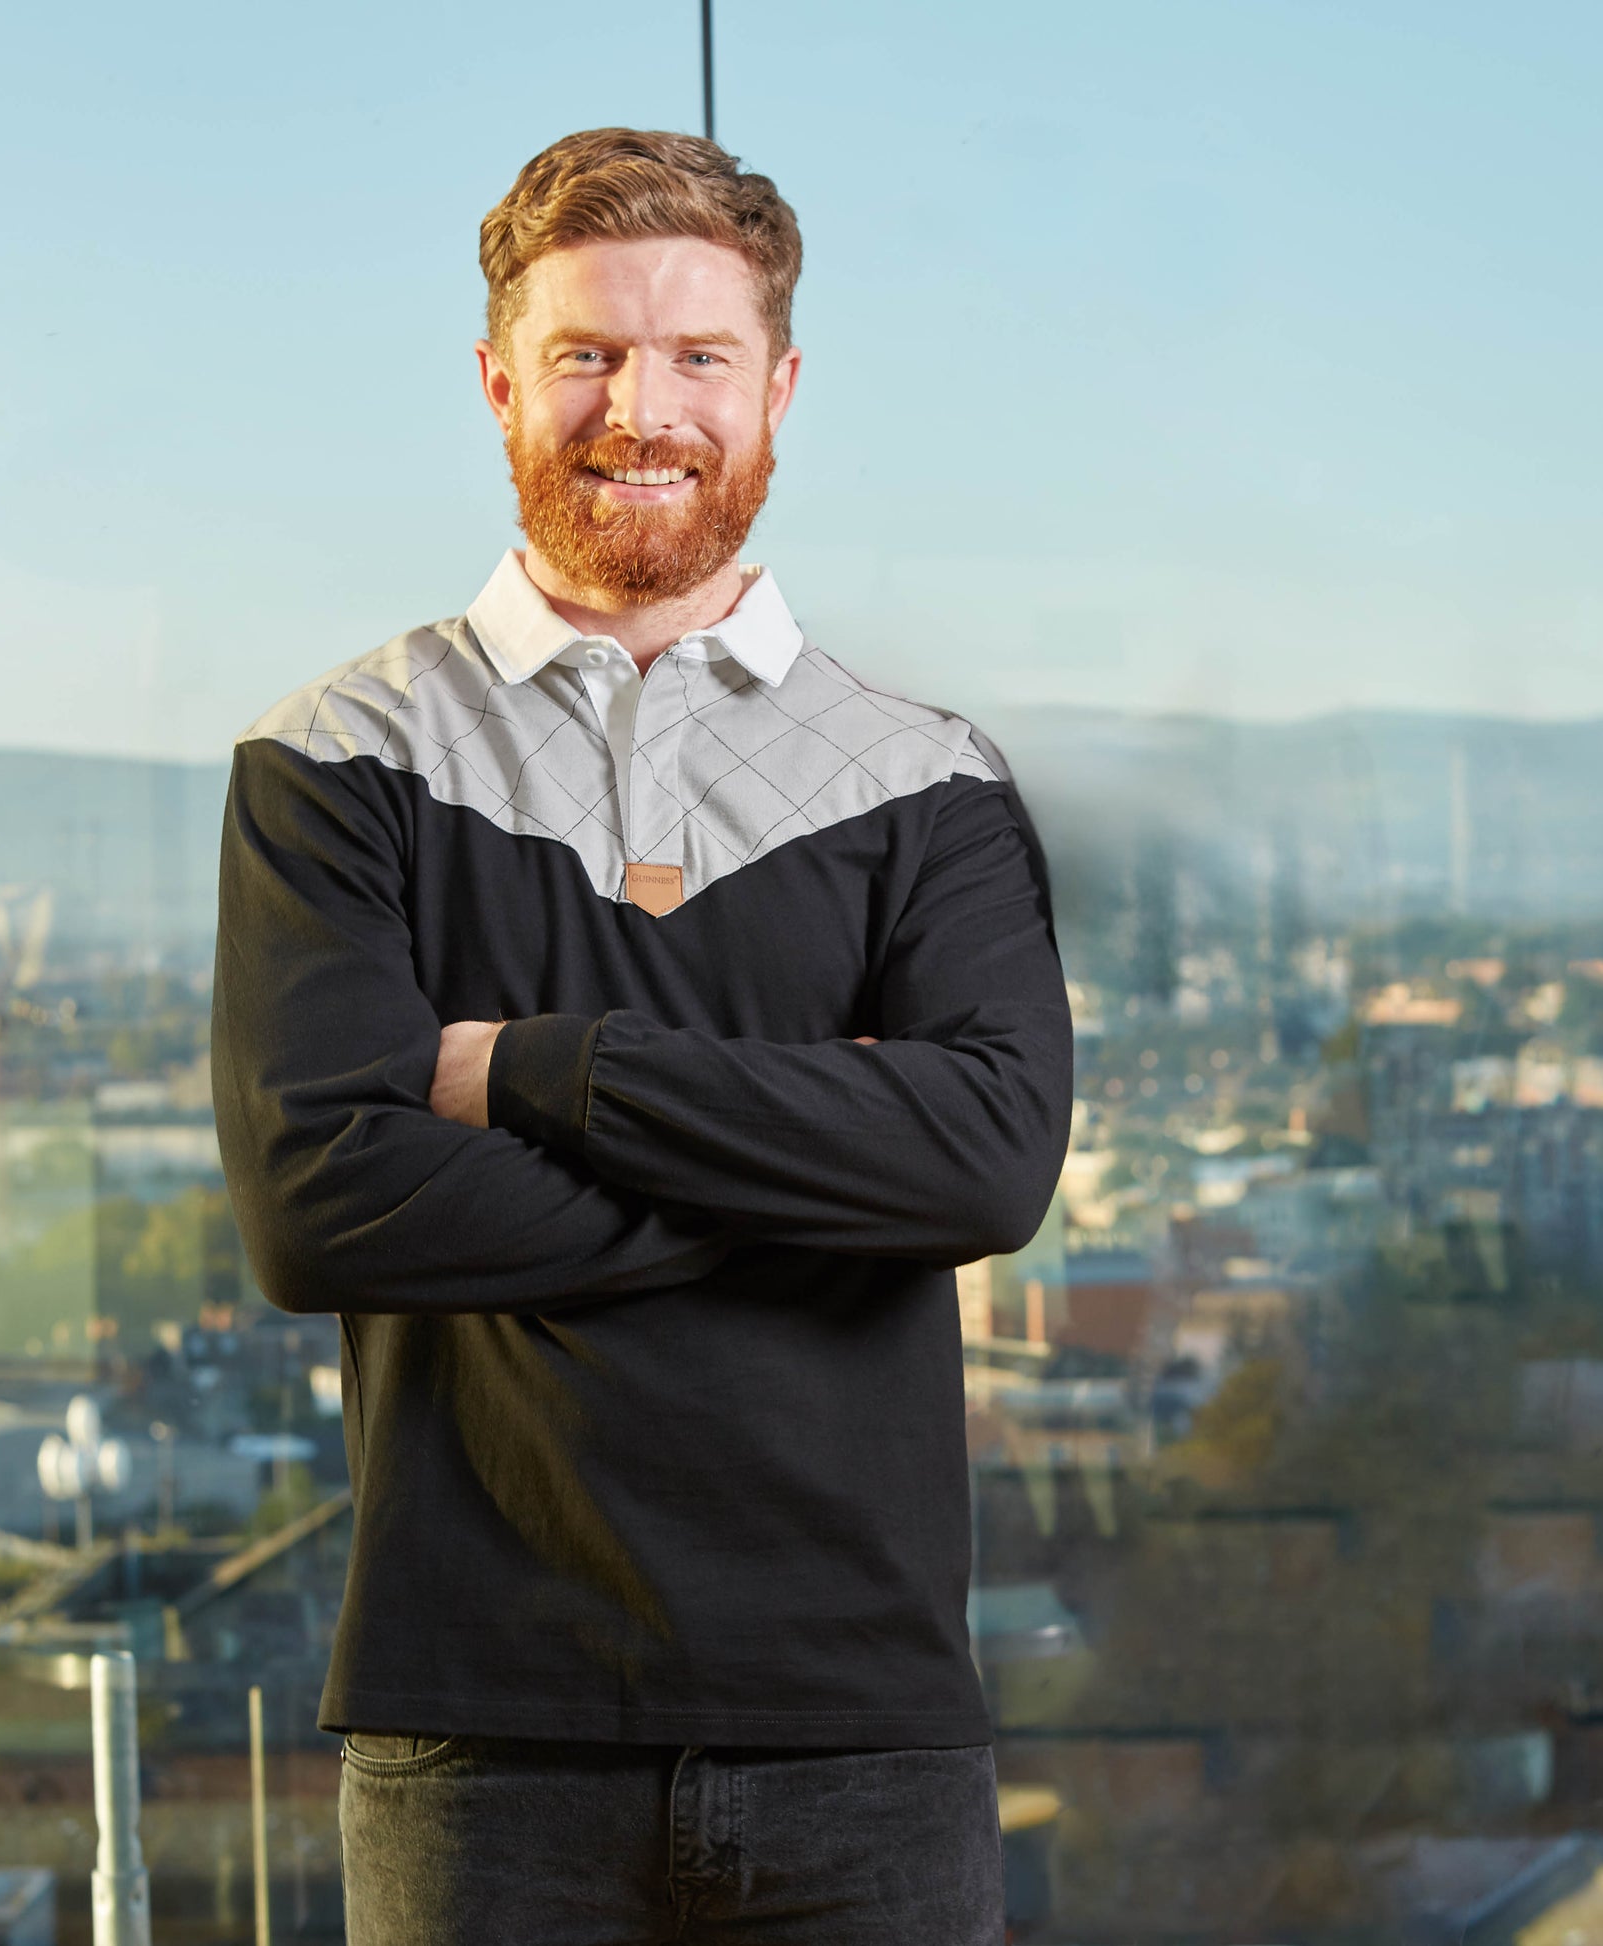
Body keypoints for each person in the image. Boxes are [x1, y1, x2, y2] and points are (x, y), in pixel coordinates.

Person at [211, 126, 1074, 1944]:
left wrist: (534, 1074)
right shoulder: (338, 759)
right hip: (477, 1733)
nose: (642, 408)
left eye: (697, 357)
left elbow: (988, 1161)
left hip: (868, 1735)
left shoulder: (929, 777)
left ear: (777, 388)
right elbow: (322, 1206)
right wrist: (823, 1161)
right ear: (498, 380)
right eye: (589, 351)